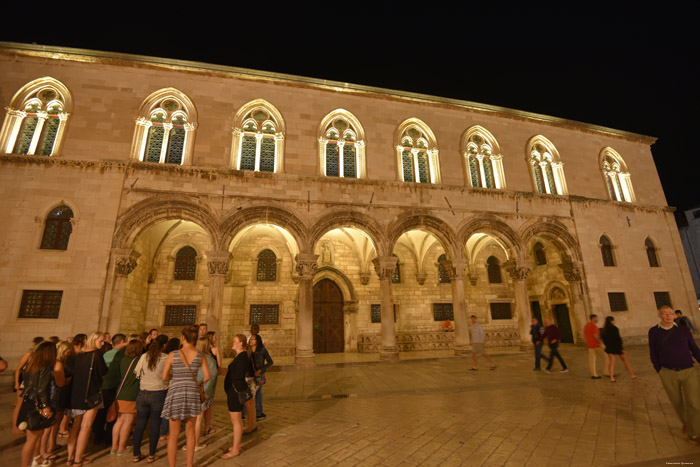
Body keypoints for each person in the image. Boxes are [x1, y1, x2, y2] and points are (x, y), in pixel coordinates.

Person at [650, 305, 700, 444]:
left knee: (694, 403)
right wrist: (659, 369)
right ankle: (686, 422)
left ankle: (695, 434)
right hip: (667, 372)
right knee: (677, 402)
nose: (668, 316)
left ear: (674, 315)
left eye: (670, 313)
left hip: (688, 370)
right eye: (664, 314)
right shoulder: (654, 332)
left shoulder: (683, 330)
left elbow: (694, 348)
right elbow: (653, 352)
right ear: (659, 315)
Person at [161, 325, 210, 467]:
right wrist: (196, 382)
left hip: (176, 391)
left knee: (173, 435)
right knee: (190, 433)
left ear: (183, 337)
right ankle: (189, 465)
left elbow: (164, 377)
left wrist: (176, 376)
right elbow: (207, 376)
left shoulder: (173, 355)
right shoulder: (200, 355)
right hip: (192, 392)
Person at [65, 331, 107, 466]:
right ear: (93, 340)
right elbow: (103, 372)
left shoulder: (78, 356)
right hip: (91, 394)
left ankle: (69, 458)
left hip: (76, 394)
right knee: (86, 427)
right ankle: (78, 459)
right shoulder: (96, 355)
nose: (102, 344)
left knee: (75, 427)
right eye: (100, 341)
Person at [19, 342, 63, 467]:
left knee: (34, 437)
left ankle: (36, 459)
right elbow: (42, 389)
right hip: (38, 405)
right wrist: (46, 406)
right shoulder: (46, 367)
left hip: (29, 403)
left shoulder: (31, 365)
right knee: (31, 440)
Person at [132, 334, 169, 463]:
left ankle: (136, 454)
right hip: (158, 393)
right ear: (164, 346)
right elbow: (169, 375)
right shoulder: (165, 358)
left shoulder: (144, 356)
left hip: (143, 393)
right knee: (154, 425)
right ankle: (151, 455)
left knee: (140, 424)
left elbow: (137, 372)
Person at [93, 333, 127, 445]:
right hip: (113, 386)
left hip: (102, 386)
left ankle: (97, 437)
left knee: (100, 413)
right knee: (112, 413)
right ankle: (109, 438)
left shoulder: (106, 353)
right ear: (122, 341)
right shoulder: (120, 355)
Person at [222, 334, 252, 459]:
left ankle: (235, 449)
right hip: (232, 391)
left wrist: (230, 376)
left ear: (241, 343)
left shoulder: (242, 357)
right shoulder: (240, 356)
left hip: (235, 392)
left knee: (236, 421)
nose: (232, 343)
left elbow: (239, 376)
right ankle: (236, 445)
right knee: (236, 420)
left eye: (235, 341)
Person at [111, 339, 143, 455]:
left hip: (120, 393)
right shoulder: (139, 361)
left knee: (119, 420)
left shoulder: (123, 360)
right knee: (128, 421)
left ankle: (114, 447)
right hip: (131, 394)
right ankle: (121, 447)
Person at [13, 336, 44, 435]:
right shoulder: (29, 354)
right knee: (19, 405)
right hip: (24, 383)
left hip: (32, 385)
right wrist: (17, 382)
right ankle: (15, 426)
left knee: (28, 407)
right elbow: (18, 369)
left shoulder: (40, 357)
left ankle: (24, 424)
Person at [191, 335, 218, 451]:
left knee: (191, 419)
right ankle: (196, 443)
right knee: (198, 418)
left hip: (189, 390)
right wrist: (208, 395)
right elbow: (212, 376)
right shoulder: (209, 359)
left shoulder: (191, 357)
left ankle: (190, 442)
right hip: (202, 392)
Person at [601, 316, 636, 382]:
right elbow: (618, 339)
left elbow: (603, 339)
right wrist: (621, 348)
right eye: (614, 320)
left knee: (611, 363)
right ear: (611, 321)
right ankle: (632, 374)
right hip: (617, 347)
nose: (615, 321)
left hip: (609, 348)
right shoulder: (615, 328)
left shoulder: (604, 330)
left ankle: (611, 377)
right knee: (625, 361)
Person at [249, 334, 273, 420]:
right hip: (249, 374)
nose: (251, 340)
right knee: (248, 394)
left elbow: (270, 362)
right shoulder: (247, 350)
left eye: (254, 339)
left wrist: (261, 370)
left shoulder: (262, 350)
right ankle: (244, 414)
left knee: (258, 393)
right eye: (251, 339)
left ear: (258, 341)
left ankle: (259, 413)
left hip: (259, 374)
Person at [584, 314, 607, 379]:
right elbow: (596, 336)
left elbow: (585, 335)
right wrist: (601, 342)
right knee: (606, 357)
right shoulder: (593, 326)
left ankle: (594, 375)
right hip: (596, 345)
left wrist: (588, 341)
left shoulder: (586, 325)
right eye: (597, 318)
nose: (598, 319)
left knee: (592, 361)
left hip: (590, 345)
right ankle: (607, 372)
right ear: (594, 318)